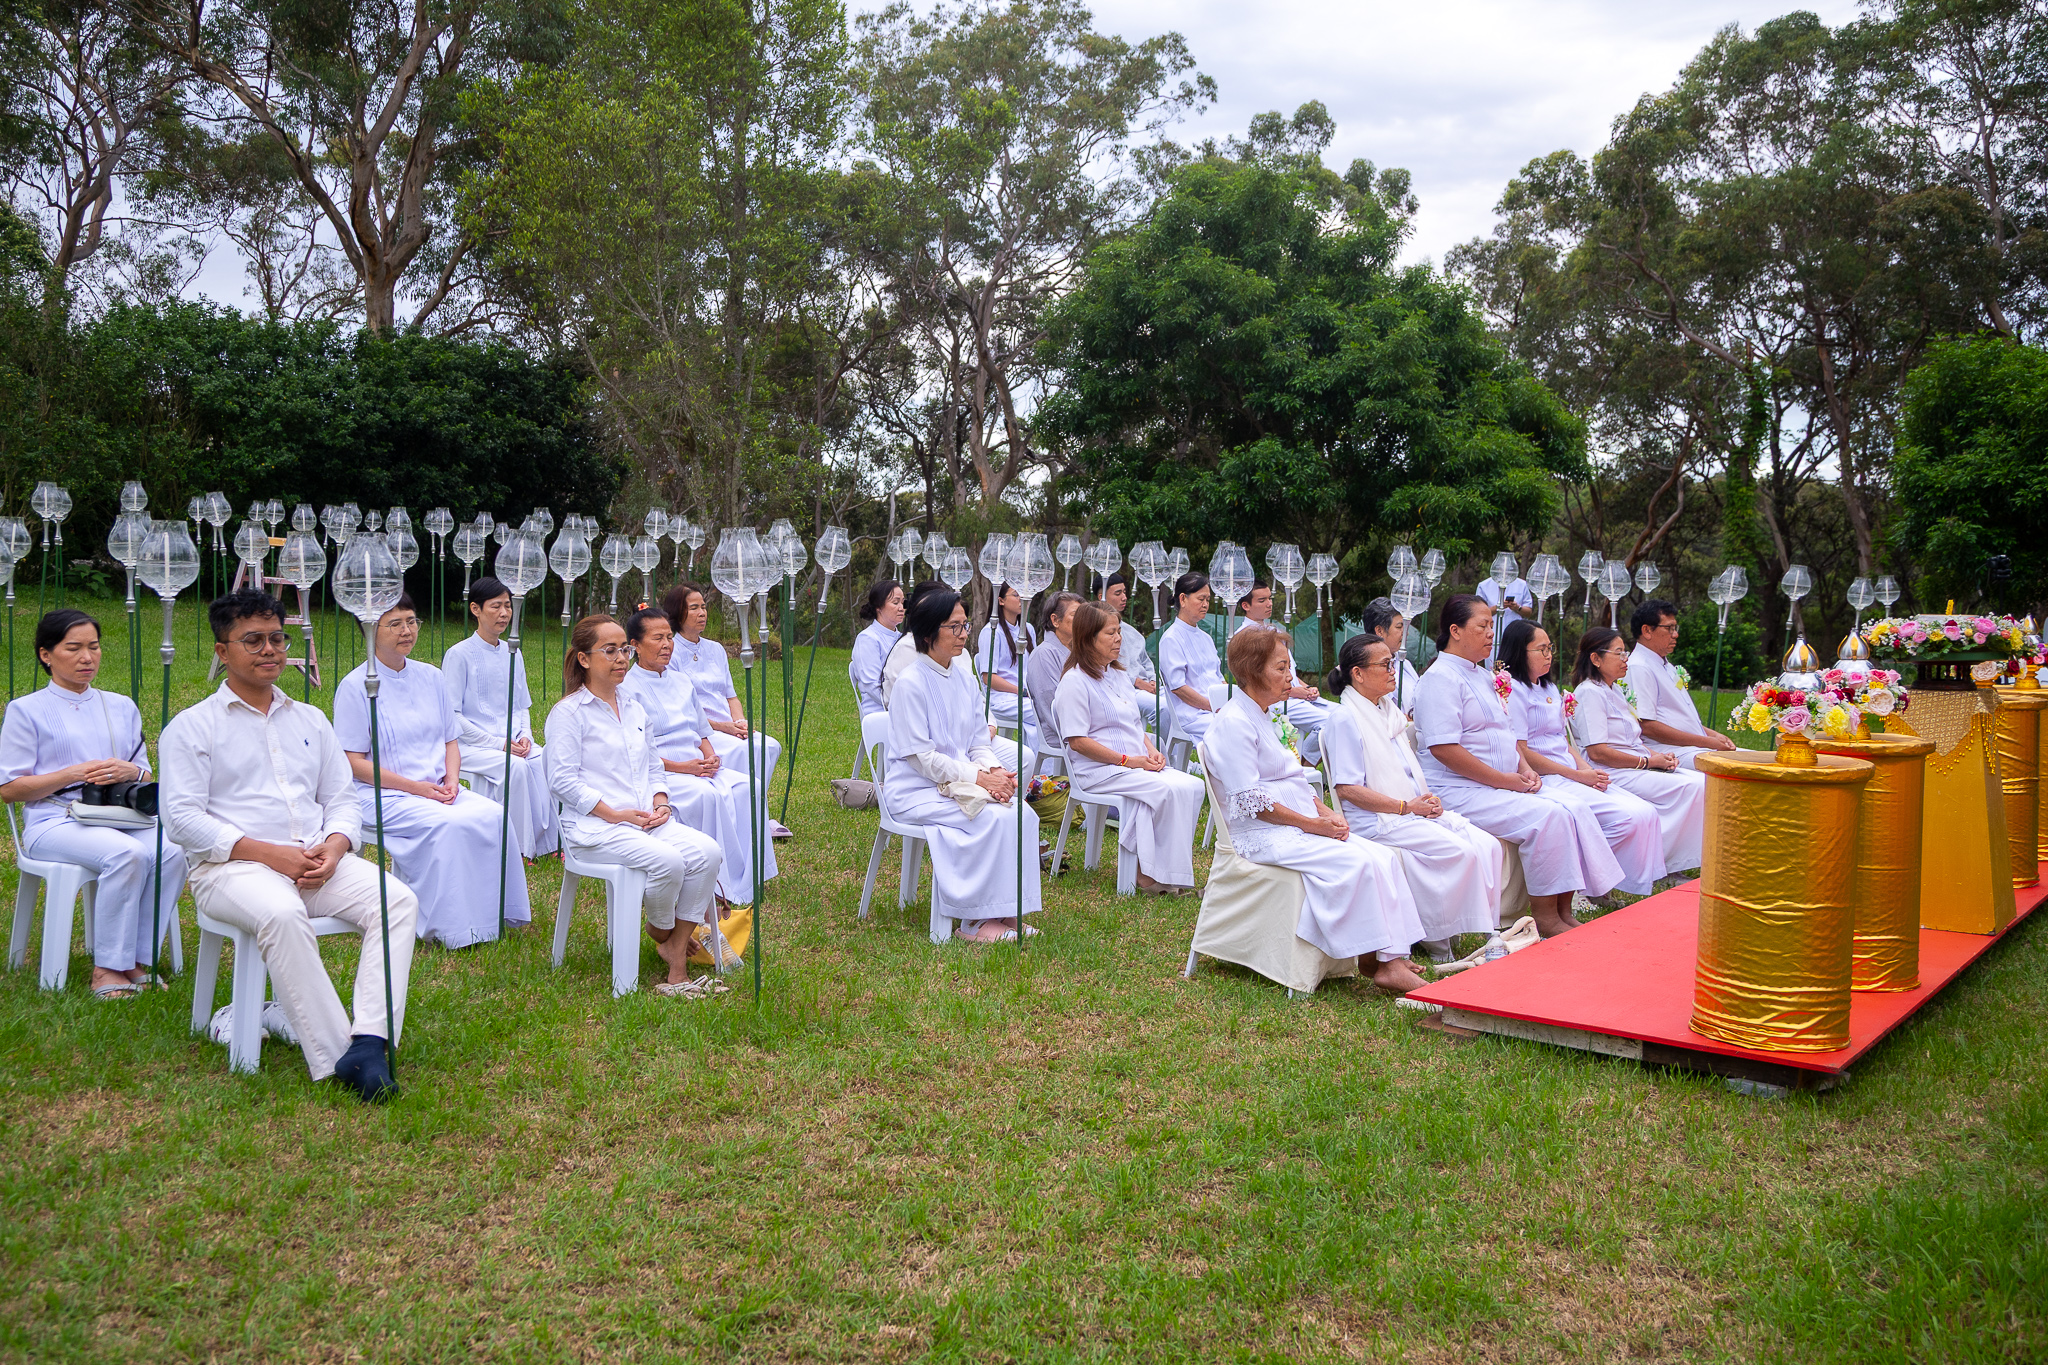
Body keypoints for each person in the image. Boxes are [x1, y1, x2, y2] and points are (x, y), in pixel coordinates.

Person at [161, 589, 418, 1101]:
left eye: (277, 638)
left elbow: (342, 799)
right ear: (221, 651)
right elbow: (182, 820)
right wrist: (266, 852)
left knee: (398, 901)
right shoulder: (192, 727)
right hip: (230, 870)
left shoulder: (309, 720)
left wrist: (338, 844)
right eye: (252, 640)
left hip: (314, 859)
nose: (269, 650)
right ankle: (337, 1056)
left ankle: (369, 1038)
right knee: (280, 912)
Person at [1203, 625, 1426, 992]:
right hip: (1262, 837)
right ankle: (1382, 961)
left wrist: (1324, 812)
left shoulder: (1263, 713)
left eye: (1288, 666)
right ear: (1251, 671)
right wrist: (1312, 825)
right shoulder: (1234, 723)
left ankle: (1385, 959)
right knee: (1358, 862)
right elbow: (1250, 802)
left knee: (1383, 857)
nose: (1289, 676)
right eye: (1280, 668)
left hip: (1293, 825)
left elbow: (1291, 781)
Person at [1414, 594, 1627, 938]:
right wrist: (1504, 780)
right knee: (1549, 817)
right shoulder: (1440, 679)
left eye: (1490, 626)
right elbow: (1444, 749)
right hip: (1458, 787)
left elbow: (1506, 733)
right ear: (1455, 630)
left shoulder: (1484, 676)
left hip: (1501, 780)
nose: (1490, 634)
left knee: (1573, 806)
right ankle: (1545, 917)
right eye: (1482, 626)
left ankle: (1564, 909)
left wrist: (1523, 766)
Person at [0, 609, 187, 998]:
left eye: (94, 647)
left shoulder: (120, 706)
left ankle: (137, 958)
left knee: (171, 851)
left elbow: (145, 774)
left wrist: (129, 772)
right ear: (46, 654)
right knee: (126, 855)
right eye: (74, 648)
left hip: (117, 814)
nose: (87, 658)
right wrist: (75, 773)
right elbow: (10, 788)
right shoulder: (25, 710)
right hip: (53, 819)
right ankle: (107, 969)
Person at [333, 596, 530, 948]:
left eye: (411, 621)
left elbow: (449, 740)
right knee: (449, 825)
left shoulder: (431, 676)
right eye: (395, 624)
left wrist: (452, 780)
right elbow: (353, 762)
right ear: (370, 630)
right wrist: (416, 788)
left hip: (439, 786)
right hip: (382, 793)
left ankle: (493, 914)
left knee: (494, 815)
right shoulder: (355, 686)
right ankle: (446, 927)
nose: (407, 631)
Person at [546, 614, 727, 996]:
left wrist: (661, 801)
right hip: (596, 827)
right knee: (670, 862)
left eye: (623, 649)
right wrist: (614, 814)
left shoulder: (632, 705)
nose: (620, 658)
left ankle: (673, 949)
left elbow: (652, 763)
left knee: (708, 852)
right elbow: (561, 781)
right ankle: (663, 934)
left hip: (645, 818)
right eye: (609, 650)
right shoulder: (568, 714)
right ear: (583, 659)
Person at [1321, 633, 1501, 959]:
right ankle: (1437, 942)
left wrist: (1424, 799)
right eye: (1385, 665)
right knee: (1459, 851)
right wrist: (1407, 807)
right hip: (1377, 819)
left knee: (1486, 844)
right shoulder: (1345, 718)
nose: (1393, 671)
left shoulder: (1386, 710)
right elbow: (1347, 789)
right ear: (1357, 673)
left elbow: (1406, 771)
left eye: (1392, 663)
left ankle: (1475, 930)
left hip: (1407, 809)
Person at [884, 587, 1041, 942]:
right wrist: (981, 779)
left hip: (958, 781)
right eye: (954, 627)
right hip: (915, 788)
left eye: (965, 625)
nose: (963, 634)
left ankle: (1006, 910)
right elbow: (921, 759)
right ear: (928, 634)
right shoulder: (911, 683)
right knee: (988, 819)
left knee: (1022, 815)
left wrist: (992, 771)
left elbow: (976, 740)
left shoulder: (962, 676)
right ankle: (972, 922)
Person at [1498, 617, 1665, 899]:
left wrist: (1588, 770)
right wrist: (1576, 775)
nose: (1549, 655)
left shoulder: (1548, 689)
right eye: (1541, 649)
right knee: (1627, 819)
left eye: (1550, 648)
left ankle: (1615, 883)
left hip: (1571, 772)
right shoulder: (1514, 691)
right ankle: (1584, 887)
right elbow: (1522, 750)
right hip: (1550, 777)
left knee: (1646, 812)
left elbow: (1563, 742)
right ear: (1518, 651)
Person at [619, 606, 774, 904]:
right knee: (707, 797)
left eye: (668, 637)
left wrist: (711, 757)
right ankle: (715, 886)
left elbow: (701, 731)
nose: (666, 645)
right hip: (664, 771)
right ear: (635, 646)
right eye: (657, 638)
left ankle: (750, 879)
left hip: (698, 764)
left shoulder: (681, 681)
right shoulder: (627, 688)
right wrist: (684, 768)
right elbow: (636, 752)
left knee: (750, 788)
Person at [1054, 604, 1206, 893]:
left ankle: (1169, 872)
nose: (1118, 638)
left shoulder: (1118, 675)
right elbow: (1077, 741)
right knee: (1164, 790)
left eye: (1119, 631)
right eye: (1110, 632)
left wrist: (1150, 750)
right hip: (1098, 769)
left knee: (1192, 786)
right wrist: (1128, 761)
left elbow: (1135, 725)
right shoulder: (1074, 681)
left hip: (1132, 762)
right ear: (1088, 638)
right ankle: (1149, 876)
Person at [1570, 626, 1707, 879]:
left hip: (1635, 762)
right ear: (1596, 658)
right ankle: (1662, 865)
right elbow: (1598, 752)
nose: (1626, 660)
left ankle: (1670, 860)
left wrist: (1658, 757)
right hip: (1613, 771)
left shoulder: (1616, 689)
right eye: (1619, 654)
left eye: (1626, 653)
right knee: (1693, 788)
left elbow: (1632, 738)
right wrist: (1647, 761)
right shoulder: (1589, 692)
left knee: (1701, 781)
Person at [660, 583, 791, 839]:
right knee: (745, 750)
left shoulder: (715, 649)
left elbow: (730, 695)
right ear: (678, 612)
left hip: (730, 725)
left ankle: (754, 814)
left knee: (769, 746)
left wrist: (739, 721)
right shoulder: (670, 652)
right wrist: (724, 728)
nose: (702, 613)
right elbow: (683, 707)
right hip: (702, 729)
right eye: (694, 607)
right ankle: (741, 819)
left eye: (704, 607)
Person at [441, 577, 560, 858]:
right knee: (515, 768)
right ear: (475, 609)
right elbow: (453, 718)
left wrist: (524, 736)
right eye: (496, 606)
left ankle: (552, 843)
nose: (504, 613)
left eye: (507, 606)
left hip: (511, 742)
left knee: (545, 759)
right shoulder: (458, 655)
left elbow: (521, 705)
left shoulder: (512, 652)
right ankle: (517, 849)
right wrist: (499, 744)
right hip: (469, 746)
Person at [1626, 598, 1736, 767]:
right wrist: (1706, 742)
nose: (1675, 634)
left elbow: (1677, 717)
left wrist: (1713, 735)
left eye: (1675, 628)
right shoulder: (1639, 667)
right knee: (1742, 768)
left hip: (1694, 746)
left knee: (1757, 760)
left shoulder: (1665, 664)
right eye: (1669, 628)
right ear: (1647, 631)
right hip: (1669, 751)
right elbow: (1647, 726)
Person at [1233, 579, 1330, 757]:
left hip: (1295, 696)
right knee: (1331, 723)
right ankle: (1307, 762)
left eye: (1270, 598)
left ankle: (1306, 762)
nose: (1269, 604)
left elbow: (1289, 671)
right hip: (1277, 701)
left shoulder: (1275, 632)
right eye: (1262, 601)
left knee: (1345, 716)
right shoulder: (1245, 637)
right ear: (1246, 605)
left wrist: (1306, 688)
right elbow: (1259, 680)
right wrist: (1295, 691)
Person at [974, 581, 1043, 753]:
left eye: (1023, 595)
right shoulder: (991, 632)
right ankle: (1038, 768)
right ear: (1001, 601)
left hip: (1026, 695)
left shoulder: (1027, 629)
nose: (1022, 599)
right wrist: (1020, 690)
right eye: (1016, 594)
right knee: (1041, 712)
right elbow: (988, 678)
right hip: (1002, 698)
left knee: (1050, 709)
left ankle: (1045, 765)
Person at [1158, 571, 1223, 748]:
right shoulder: (1171, 639)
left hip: (1215, 708)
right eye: (1201, 599)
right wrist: (1212, 706)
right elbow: (1179, 688)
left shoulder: (1206, 638)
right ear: (1183, 599)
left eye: (1208, 600)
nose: (1205, 605)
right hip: (1191, 714)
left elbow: (1219, 677)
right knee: (1234, 728)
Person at [1096, 573, 1160, 727]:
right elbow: (1108, 666)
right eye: (1118, 593)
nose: (1124, 597)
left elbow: (1146, 661)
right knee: (1161, 708)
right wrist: (1138, 682)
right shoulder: (1096, 632)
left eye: (1124, 592)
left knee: (1174, 703)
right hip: (1123, 689)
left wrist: (1152, 680)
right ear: (1101, 596)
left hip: (1146, 687)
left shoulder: (1133, 632)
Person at [1025, 592, 1083, 742]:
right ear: (1055, 620)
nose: (1083, 620)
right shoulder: (1043, 654)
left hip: (1086, 725)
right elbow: (1052, 706)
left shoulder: (1079, 651)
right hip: (1065, 734)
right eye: (1076, 615)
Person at [851, 580, 903, 719]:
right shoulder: (868, 639)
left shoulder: (903, 638)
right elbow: (871, 685)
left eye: (903, 603)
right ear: (879, 607)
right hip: (878, 709)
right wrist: (901, 705)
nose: (901, 607)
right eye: (895, 602)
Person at [1360, 598, 1421, 717]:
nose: (1406, 633)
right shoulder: (1368, 668)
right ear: (1379, 630)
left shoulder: (1403, 662)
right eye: (1399, 627)